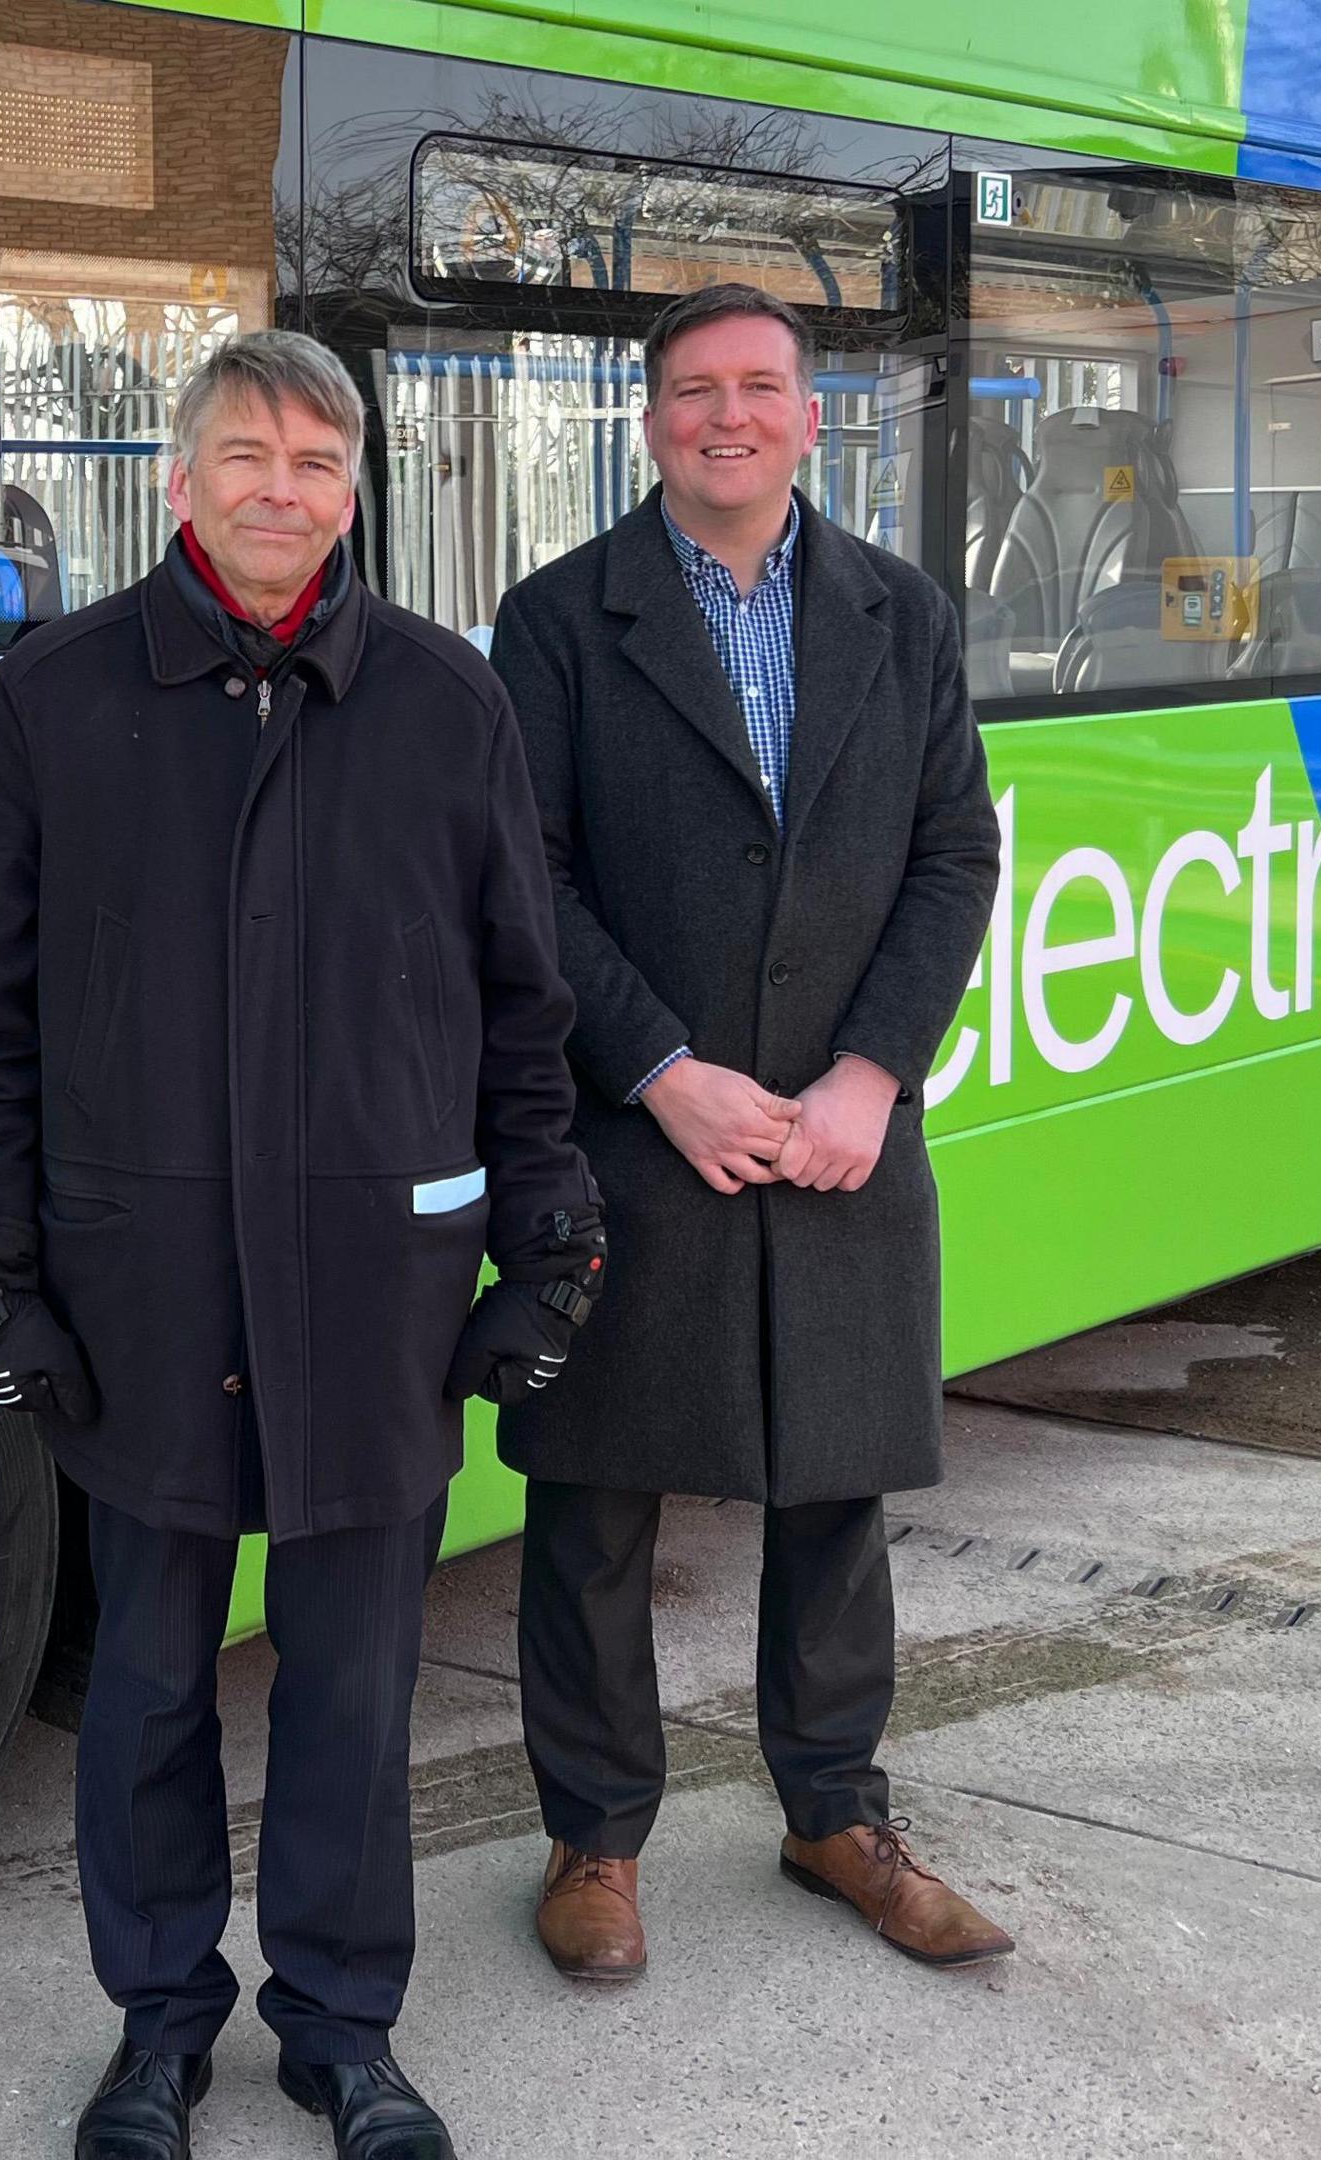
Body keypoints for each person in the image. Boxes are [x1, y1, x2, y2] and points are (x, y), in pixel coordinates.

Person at [0, 329, 600, 2160]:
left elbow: (521, 1016)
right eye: (244, 454)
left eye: (314, 460)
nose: (279, 488)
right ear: (179, 476)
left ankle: (340, 2024)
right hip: (137, 1290)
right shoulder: (54, 697)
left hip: (376, 1290)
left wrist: (547, 1249)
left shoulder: (450, 705)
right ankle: (158, 2026)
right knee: (144, 1677)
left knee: (355, 1683)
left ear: (354, 489)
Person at [488, 284, 1007, 1983]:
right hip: (644, 1131)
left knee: (836, 1483)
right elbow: (527, 883)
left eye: (761, 388)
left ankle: (833, 1811)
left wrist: (874, 1075)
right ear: (650, 424)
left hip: (844, 1132)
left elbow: (953, 859)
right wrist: (657, 1069)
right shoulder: (559, 620)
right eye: (695, 391)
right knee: (596, 1501)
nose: (729, 415)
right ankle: (595, 1841)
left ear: (808, 415)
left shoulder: (903, 617)